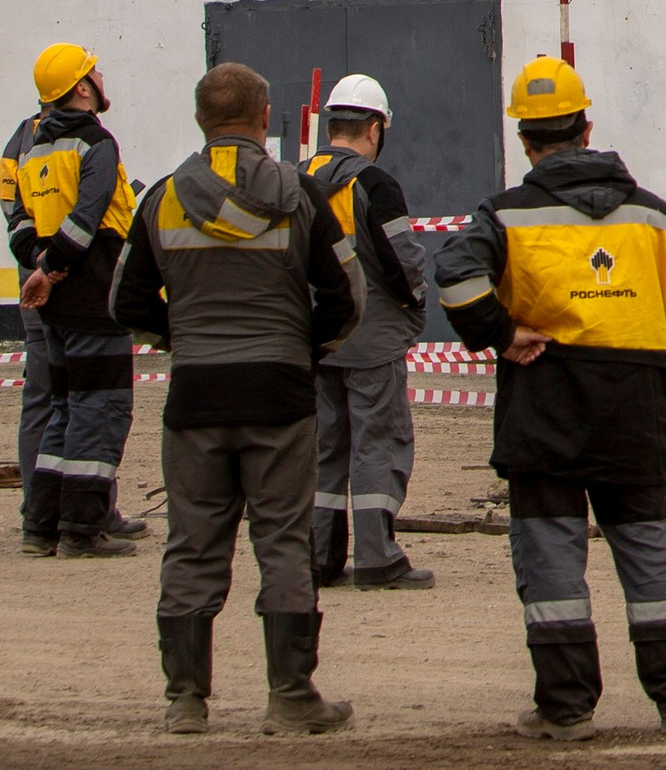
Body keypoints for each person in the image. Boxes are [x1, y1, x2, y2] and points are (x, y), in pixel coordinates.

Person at [435, 57, 666, 741]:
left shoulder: (505, 215)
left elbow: (453, 278)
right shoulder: (654, 216)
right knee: (650, 557)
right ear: (587, 126)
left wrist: (501, 334)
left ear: (526, 139)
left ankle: (566, 710)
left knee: (553, 563)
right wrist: (659, 390)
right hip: (634, 412)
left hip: (546, 407)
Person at [111, 62, 363, 736]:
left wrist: (182, 339)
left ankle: (186, 701)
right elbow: (347, 298)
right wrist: (302, 350)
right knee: (282, 541)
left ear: (200, 120)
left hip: (195, 395)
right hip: (280, 394)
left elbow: (124, 300)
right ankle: (290, 698)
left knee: (193, 545)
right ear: (264, 116)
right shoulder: (300, 193)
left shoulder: (161, 198)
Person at [4, 42, 141, 558]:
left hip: (55, 306)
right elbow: (88, 218)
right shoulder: (96, 144)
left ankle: (41, 526)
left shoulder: (34, 147)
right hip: (94, 297)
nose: (100, 76)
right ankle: (82, 531)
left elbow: (17, 222)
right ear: (82, 87)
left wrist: (39, 265)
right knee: (100, 411)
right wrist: (51, 268)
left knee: (62, 410)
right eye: (94, 71)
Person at [302, 73, 434, 592]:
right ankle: (377, 558)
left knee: (324, 449)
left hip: (316, 339)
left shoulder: (296, 177)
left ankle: (319, 558)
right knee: (378, 445)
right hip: (372, 339)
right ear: (375, 128)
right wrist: (414, 308)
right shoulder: (374, 184)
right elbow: (403, 263)